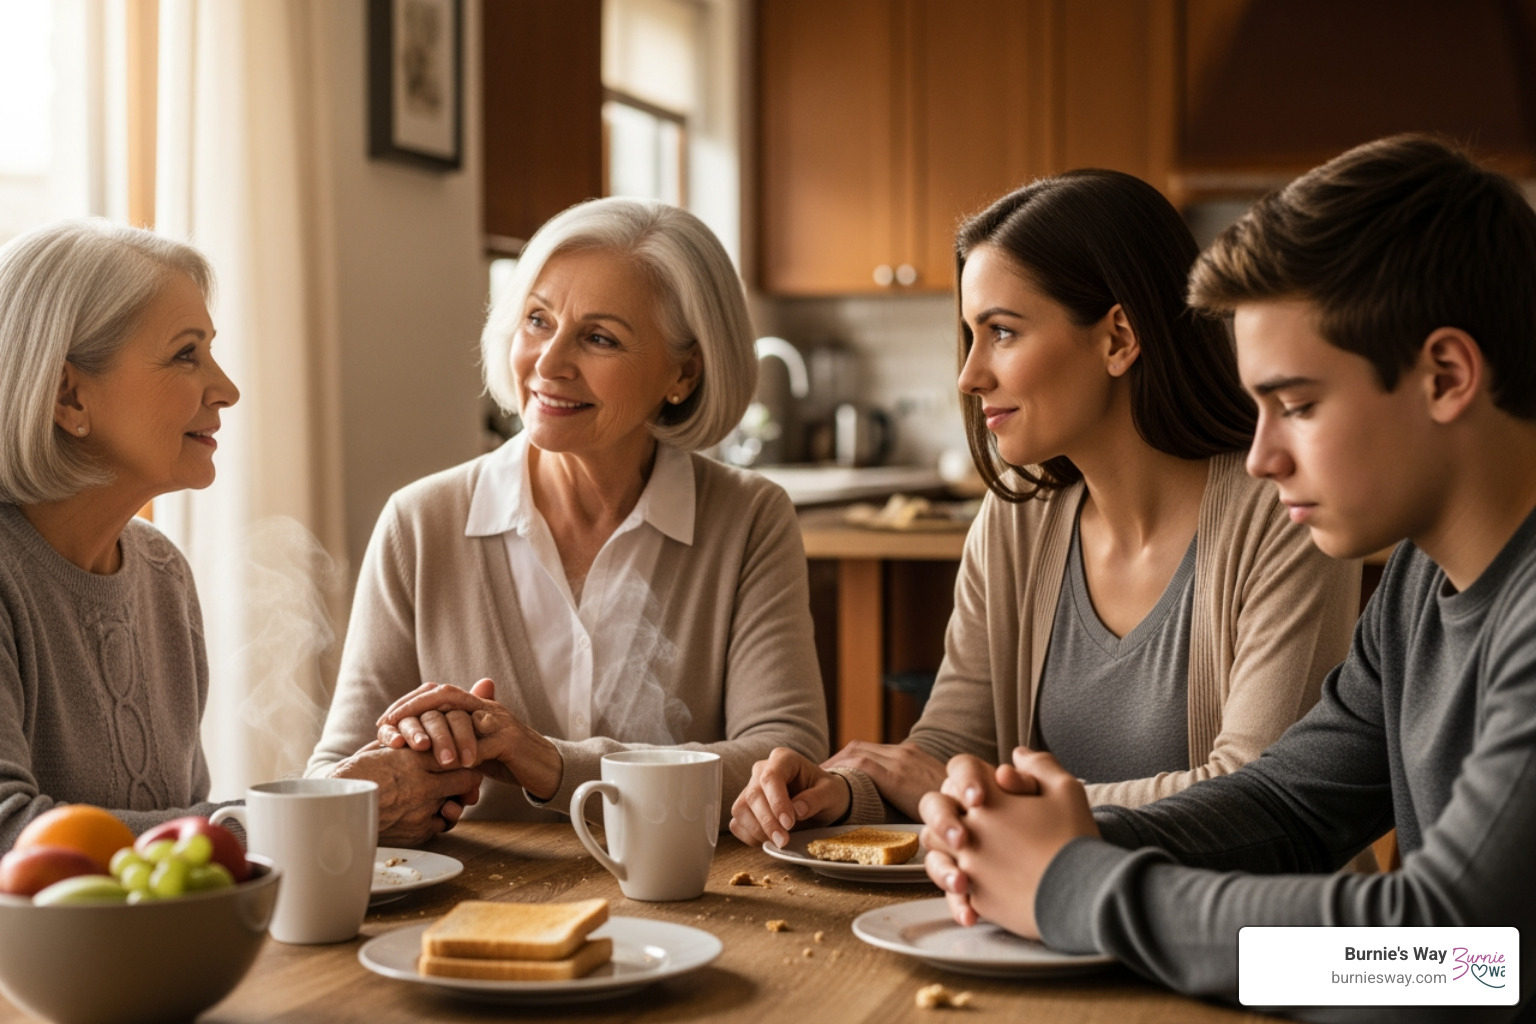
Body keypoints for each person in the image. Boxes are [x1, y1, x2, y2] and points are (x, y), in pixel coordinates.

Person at [920, 136, 1536, 1023]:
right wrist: (1041, 841)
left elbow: (1448, 958)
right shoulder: (1416, 584)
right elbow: (1287, 806)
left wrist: (1078, 888)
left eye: (1299, 405)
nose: (1261, 455)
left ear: (1445, 376)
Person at [731, 170, 1361, 849]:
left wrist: (978, 798)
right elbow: (947, 748)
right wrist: (840, 793)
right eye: (971, 335)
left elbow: (1250, 793)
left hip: (1243, 940)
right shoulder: (1016, 521)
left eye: (1002, 331)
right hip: (1050, 925)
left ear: (1119, 337)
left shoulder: (1285, 512)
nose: (970, 375)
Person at [307, 198, 828, 839]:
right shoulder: (420, 522)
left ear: (683, 372)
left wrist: (549, 762)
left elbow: (785, 756)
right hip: (470, 913)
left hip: (696, 911)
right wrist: (408, 765)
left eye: (599, 337)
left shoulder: (748, 519)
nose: (548, 364)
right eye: (537, 320)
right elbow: (338, 772)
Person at [0, 219, 241, 847]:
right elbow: (7, 835)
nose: (227, 389)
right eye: (187, 354)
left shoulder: (162, 571)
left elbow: (183, 829)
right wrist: (267, 823)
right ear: (68, 395)